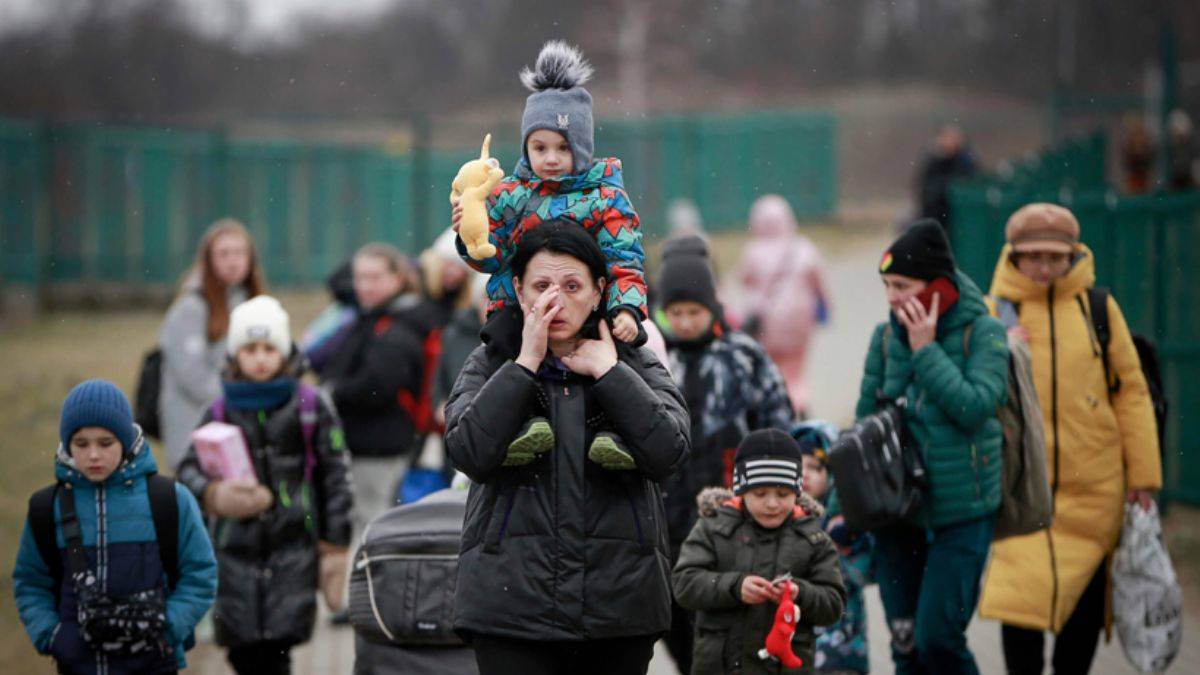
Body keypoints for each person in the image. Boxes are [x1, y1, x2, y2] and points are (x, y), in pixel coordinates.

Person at [444, 222, 689, 675]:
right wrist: (524, 364)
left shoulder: (636, 361)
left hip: (618, 612)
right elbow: (467, 451)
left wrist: (611, 374)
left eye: (572, 285)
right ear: (518, 291)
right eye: (541, 285)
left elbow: (668, 453)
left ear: (599, 292)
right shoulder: (490, 361)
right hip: (510, 611)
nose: (555, 300)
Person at [978, 203, 1163, 675]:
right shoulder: (992, 312)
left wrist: (1142, 477)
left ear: (1073, 256)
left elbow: (1132, 392)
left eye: (1055, 257)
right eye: (1033, 256)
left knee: (1079, 627)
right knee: (1020, 615)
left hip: (1093, 490)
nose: (1043, 267)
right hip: (1019, 494)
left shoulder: (1098, 309)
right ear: (1014, 257)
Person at [857, 219, 1007, 674]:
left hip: (962, 514)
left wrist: (926, 351)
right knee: (906, 647)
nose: (892, 298)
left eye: (902, 285)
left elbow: (976, 406)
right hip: (897, 513)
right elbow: (864, 430)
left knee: (938, 640)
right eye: (886, 286)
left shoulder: (982, 332)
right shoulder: (885, 338)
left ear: (938, 285)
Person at [175, 296, 354, 675]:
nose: (260, 358)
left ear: (285, 351)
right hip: (233, 555)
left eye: (269, 348)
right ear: (235, 354)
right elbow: (188, 469)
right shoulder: (219, 410)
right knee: (242, 653)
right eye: (250, 349)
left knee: (278, 651)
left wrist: (335, 544)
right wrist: (214, 494)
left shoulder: (309, 406)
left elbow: (336, 476)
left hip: (293, 552)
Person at [656, 234, 796, 673]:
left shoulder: (741, 356)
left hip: (731, 510)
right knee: (673, 617)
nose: (683, 323)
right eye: (674, 313)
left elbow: (778, 422)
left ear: (712, 307)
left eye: (693, 312)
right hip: (666, 512)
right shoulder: (652, 359)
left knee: (723, 618)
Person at [14, 380, 216, 674]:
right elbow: (30, 582)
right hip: (79, 667)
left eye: (105, 443)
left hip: (155, 664)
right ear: (67, 445)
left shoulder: (169, 500)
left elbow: (201, 574)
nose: (93, 454)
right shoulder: (47, 508)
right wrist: (53, 636)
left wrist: (168, 628)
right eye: (81, 444)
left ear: (126, 439)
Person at [672, 428, 846, 675]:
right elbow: (684, 584)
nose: (772, 503)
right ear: (741, 491)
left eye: (783, 494)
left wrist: (800, 593)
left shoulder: (813, 538)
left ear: (797, 493)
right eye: (760, 494)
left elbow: (833, 603)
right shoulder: (713, 527)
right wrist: (734, 587)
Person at [319, 243, 426, 539]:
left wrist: (333, 393)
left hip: (379, 447)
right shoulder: (372, 318)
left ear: (396, 279)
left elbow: (378, 386)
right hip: (368, 443)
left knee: (372, 528)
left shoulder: (396, 327)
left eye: (374, 277)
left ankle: (368, 586)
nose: (364, 286)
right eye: (360, 277)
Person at [159, 218, 266, 469]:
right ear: (208, 260)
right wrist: (243, 399)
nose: (232, 261)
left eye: (240, 253)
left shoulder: (251, 303)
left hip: (239, 430)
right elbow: (194, 379)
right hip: (196, 432)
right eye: (224, 254)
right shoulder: (191, 308)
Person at [732, 195, 830, 415]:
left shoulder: (753, 251)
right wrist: (824, 309)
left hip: (765, 324)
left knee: (770, 367)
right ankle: (799, 402)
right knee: (796, 369)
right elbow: (819, 284)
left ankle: (776, 406)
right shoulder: (804, 248)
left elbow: (743, 279)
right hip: (800, 322)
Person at [794, 422, 872, 675]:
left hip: (842, 650)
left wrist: (841, 546)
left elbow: (863, 572)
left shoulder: (845, 522)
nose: (804, 474)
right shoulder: (779, 519)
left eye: (815, 467)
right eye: (798, 466)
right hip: (794, 650)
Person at [915, 124, 977, 233]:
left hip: (956, 218)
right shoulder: (934, 160)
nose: (948, 142)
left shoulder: (964, 160)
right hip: (935, 214)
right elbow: (924, 186)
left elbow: (970, 180)